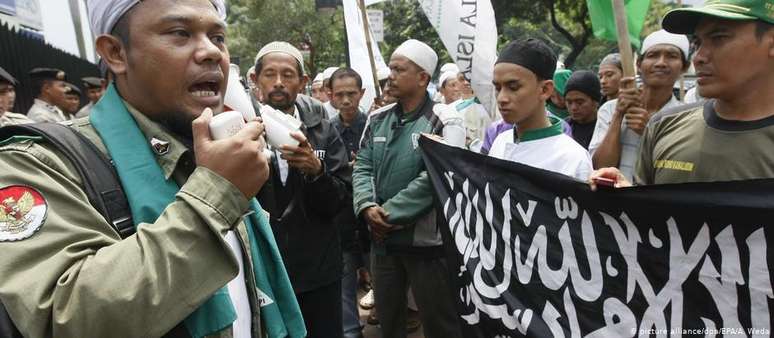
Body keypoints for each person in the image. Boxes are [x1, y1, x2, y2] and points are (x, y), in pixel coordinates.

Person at [0, 1, 307, 337]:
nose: (210, 53)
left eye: (217, 37)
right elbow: (64, 316)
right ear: (115, 53)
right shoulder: (39, 163)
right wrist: (216, 194)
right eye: (180, 33)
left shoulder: (216, 148)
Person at [590, 0, 774, 188]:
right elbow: (648, 210)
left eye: (719, 38)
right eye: (698, 43)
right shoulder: (664, 126)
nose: (699, 57)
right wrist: (625, 195)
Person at [353, 39, 461, 338]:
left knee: (440, 323)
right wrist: (366, 206)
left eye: (399, 70)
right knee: (389, 321)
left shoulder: (445, 119)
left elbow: (438, 177)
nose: (391, 76)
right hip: (382, 243)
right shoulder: (378, 119)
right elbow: (362, 166)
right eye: (390, 69)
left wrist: (387, 215)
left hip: (427, 245)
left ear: (423, 77)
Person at [252, 41, 351, 338]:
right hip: (264, 273)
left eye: (287, 74)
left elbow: (340, 200)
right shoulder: (240, 126)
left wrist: (316, 171)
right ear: (255, 80)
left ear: (303, 82)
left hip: (318, 270)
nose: (279, 83)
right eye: (269, 74)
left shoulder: (321, 126)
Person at [588, 29, 690, 181]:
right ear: (639, 64)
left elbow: (681, 171)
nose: (661, 63)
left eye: (671, 56)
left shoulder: (686, 118)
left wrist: (649, 132)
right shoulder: (610, 109)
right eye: (653, 55)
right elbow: (599, 168)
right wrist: (618, 115)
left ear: (684, 68)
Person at [489, 38, 592, 181]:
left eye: (513, 87)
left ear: (545, 90)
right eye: (497, 88)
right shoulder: (500, 142)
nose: (501, 98)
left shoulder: (573, 159)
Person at [328, 67, 367, 338]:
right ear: (330, 96)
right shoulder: (325, 130)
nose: (345, 100)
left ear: (361, 94)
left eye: (351, 94)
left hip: (373, 218)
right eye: (339, 94)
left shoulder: (375, 125)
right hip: (341, 219)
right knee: (345, 286)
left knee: (385, 284)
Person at [564, 70, 602, 149]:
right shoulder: (563, 128)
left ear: (595, 102)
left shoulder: (605, 127)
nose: (573, 108)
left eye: (580, 102)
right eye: (569, 102)